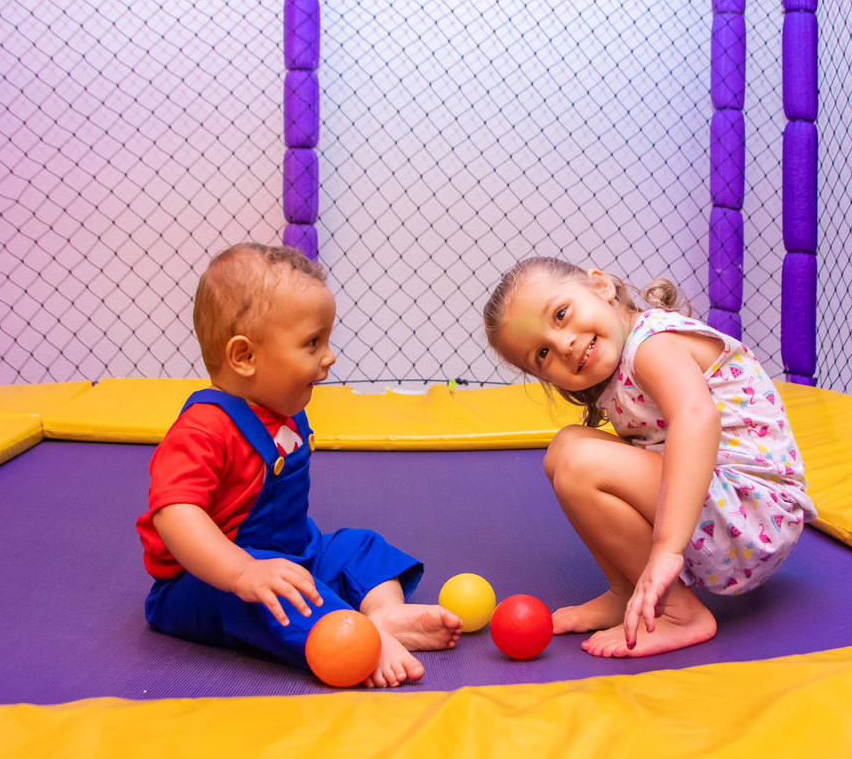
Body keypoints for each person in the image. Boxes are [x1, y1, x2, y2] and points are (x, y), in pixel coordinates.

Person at [136, 243, 461, 687]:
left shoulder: (282, 408)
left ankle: (384, 612)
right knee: (269, 598)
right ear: (245, 357)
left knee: (358, 547)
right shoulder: (202, 430)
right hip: (205, 583)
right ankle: (353, 634)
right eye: (312, 343)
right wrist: (241, 571)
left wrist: (280, 563)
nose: (328, 356)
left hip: (292, 553)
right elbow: (175, 513)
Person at [482, 256, 817, 658]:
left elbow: (695, 419)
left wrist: (666, 549)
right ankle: (626, 591)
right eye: (541, 354)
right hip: (722, 508)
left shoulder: (652, 343)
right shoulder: (621, 364)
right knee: (565, 449)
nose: (564, 344)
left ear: (601, 286)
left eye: (560, 314)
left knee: (578, 465)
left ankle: (679, 613)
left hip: (753, 513)